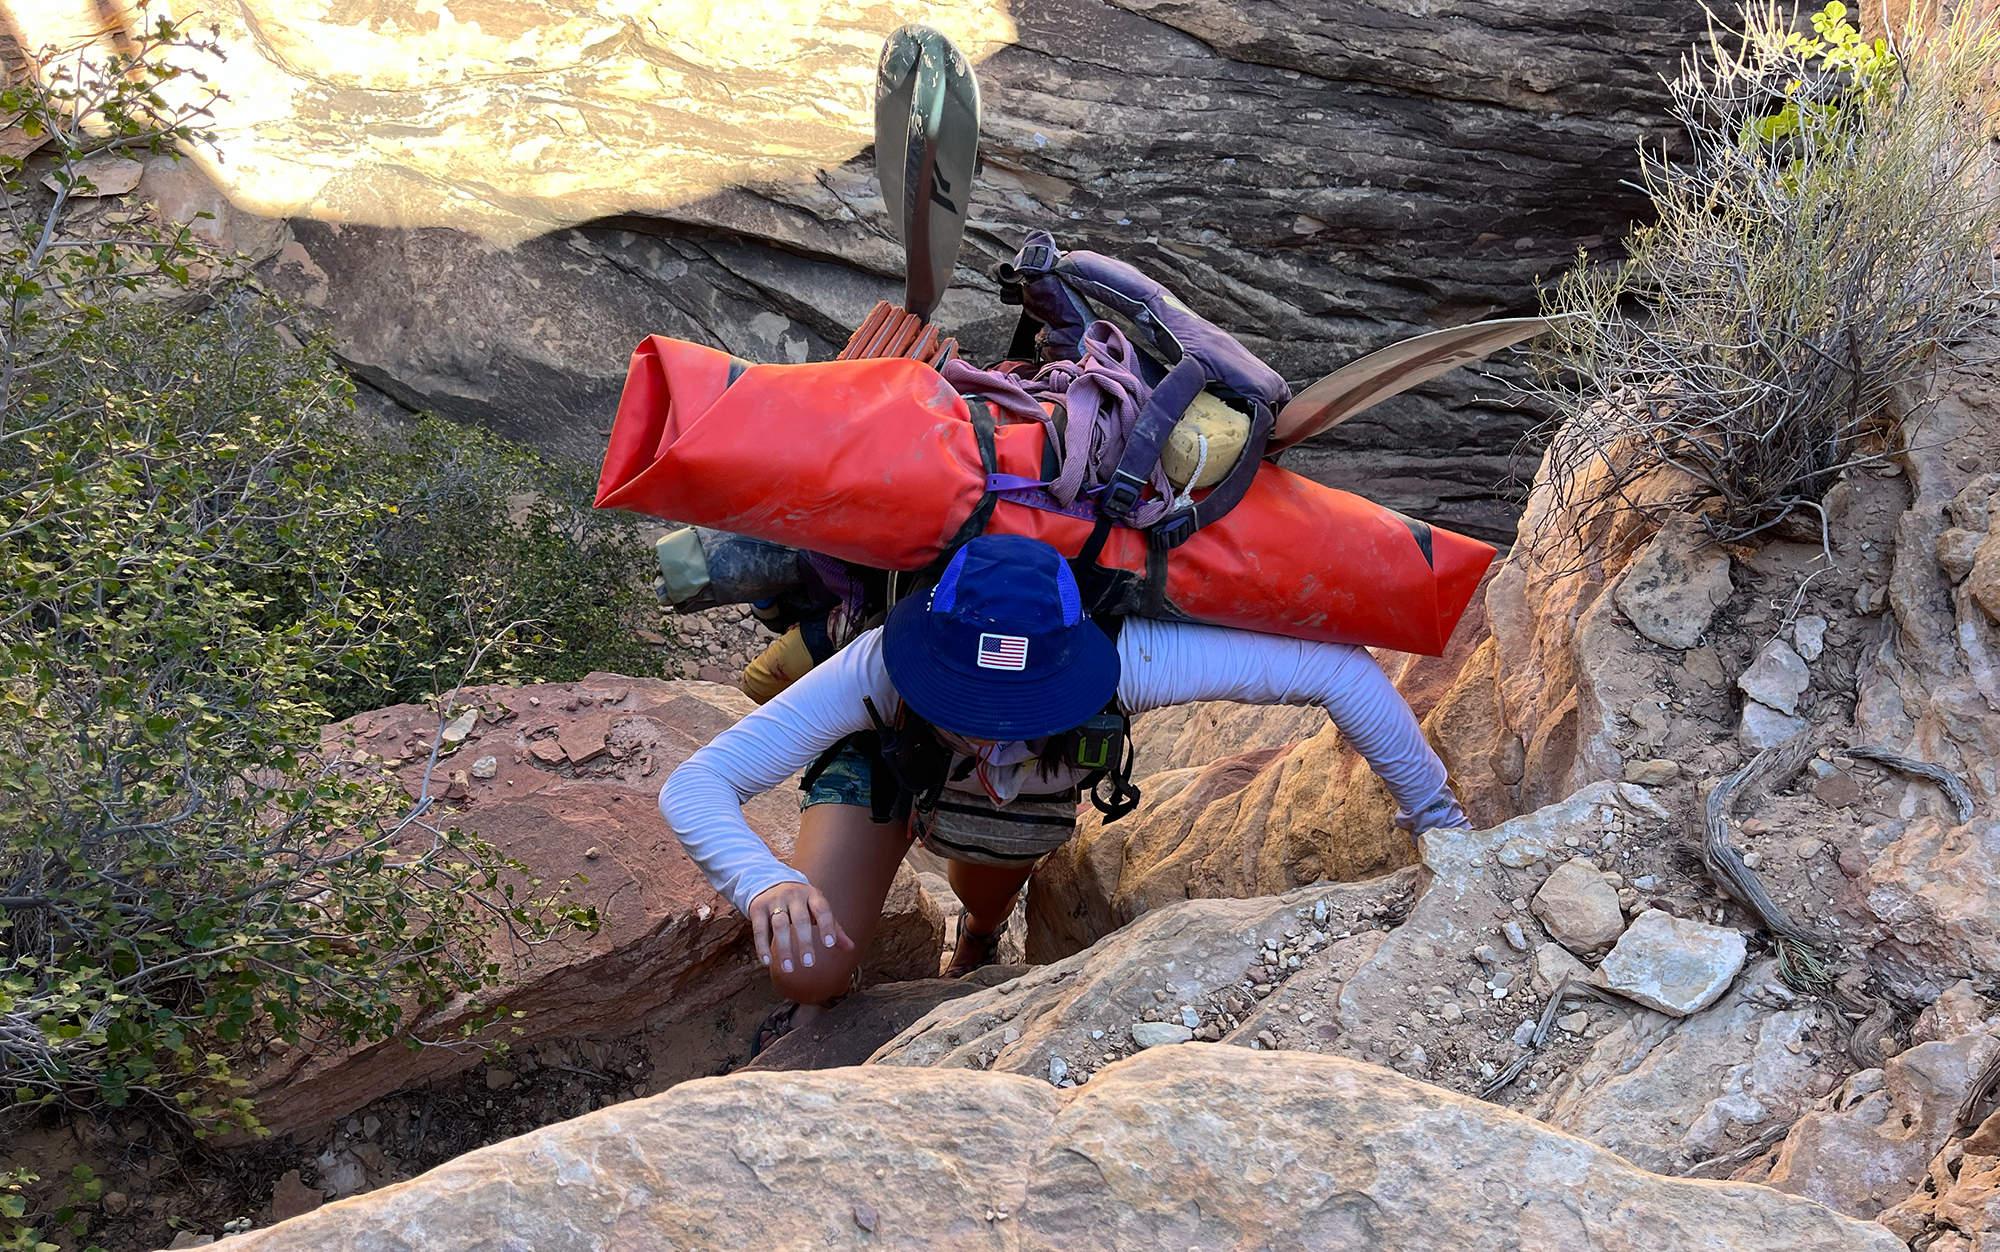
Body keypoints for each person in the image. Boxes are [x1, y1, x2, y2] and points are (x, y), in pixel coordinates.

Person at [658, 534, 1469, 1054]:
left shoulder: (1131, 656)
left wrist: (1439, 821)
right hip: (888, 769)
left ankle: (975, 941)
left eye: (1017, 711)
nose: (990, 734)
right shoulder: (877, 663)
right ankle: (955, 932)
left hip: (1015, 815)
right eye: (968, 707)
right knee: (807, 967)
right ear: (925, 658)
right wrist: (762, 880)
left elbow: (1339, 670)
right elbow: (698, 782)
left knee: (988, 890)